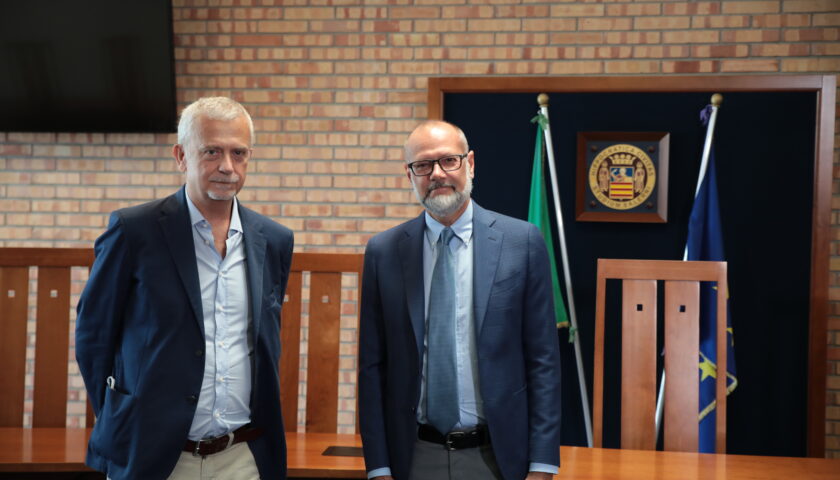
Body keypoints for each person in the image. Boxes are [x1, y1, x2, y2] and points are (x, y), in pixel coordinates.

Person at [76, 97, 293, 480]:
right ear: (181, 156)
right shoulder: (133, 232)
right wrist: (121, 416)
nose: (227, 166)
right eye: (212, 151)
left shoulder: (273, 240)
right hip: (153, 456)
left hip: (243, 456)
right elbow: (94, 338)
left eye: (238, 153)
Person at [358, 120, 562, 480]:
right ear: (409, 175)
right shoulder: (384, 252)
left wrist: (542, 465)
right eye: (422, 165)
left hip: (498, 458)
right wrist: (378, 467)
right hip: (414, 457)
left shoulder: (522, 243)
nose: (436, 174)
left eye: (448, 161)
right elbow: (373, 368)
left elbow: (543, 361)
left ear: (470, 163)